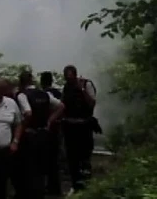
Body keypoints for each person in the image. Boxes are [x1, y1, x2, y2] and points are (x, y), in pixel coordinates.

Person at [13, 71, 65, 199]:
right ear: (32, 81)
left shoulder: (22, 95)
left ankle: (27, 193)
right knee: (42, 164)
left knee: (27, 165)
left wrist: (22, 127)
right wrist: (49, 121)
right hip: (44, 134)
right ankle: (40, 192)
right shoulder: (45, 94)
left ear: (21, 82)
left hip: (29, 134)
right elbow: (61, 106)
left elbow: (28, 113)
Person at [61, 65, 97, 194]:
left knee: (84, 155)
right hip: (70, 126)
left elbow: (92, 103)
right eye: (66, 78)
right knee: (72, 157)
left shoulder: (86, 84)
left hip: (84, 125)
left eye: (70, 77)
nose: (68, 80)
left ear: (75, 75)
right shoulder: (66, 87)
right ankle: (76, 184)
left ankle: (86, 183)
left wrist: (82, 89)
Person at [40, 71, 63, 196]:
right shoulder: (59, 93)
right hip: (57, 129)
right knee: (54, 160)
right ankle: (55, 189)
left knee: (44, 159)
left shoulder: (42, 95)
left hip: (45, 130)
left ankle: (43, 187)